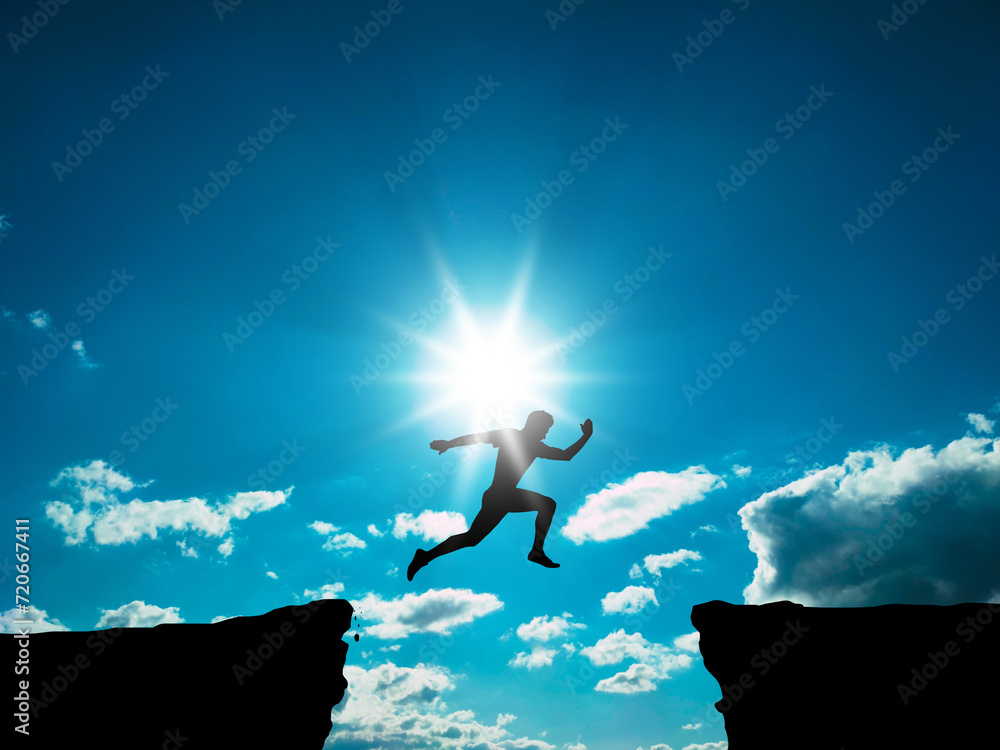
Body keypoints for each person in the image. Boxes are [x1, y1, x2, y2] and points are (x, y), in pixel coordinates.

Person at [407, 410, 593, 581]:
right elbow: (478, 438)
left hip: (501, 496)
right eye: (545, 429)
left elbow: (565, 455)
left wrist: (585, 437)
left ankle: (425, 556)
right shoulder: (511, 436)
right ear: (534, 425)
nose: (545, 434)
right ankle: (536, 552)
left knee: (472, 538)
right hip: (500, 495)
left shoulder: (536, 446)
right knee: (546, 505)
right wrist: (449, 444)